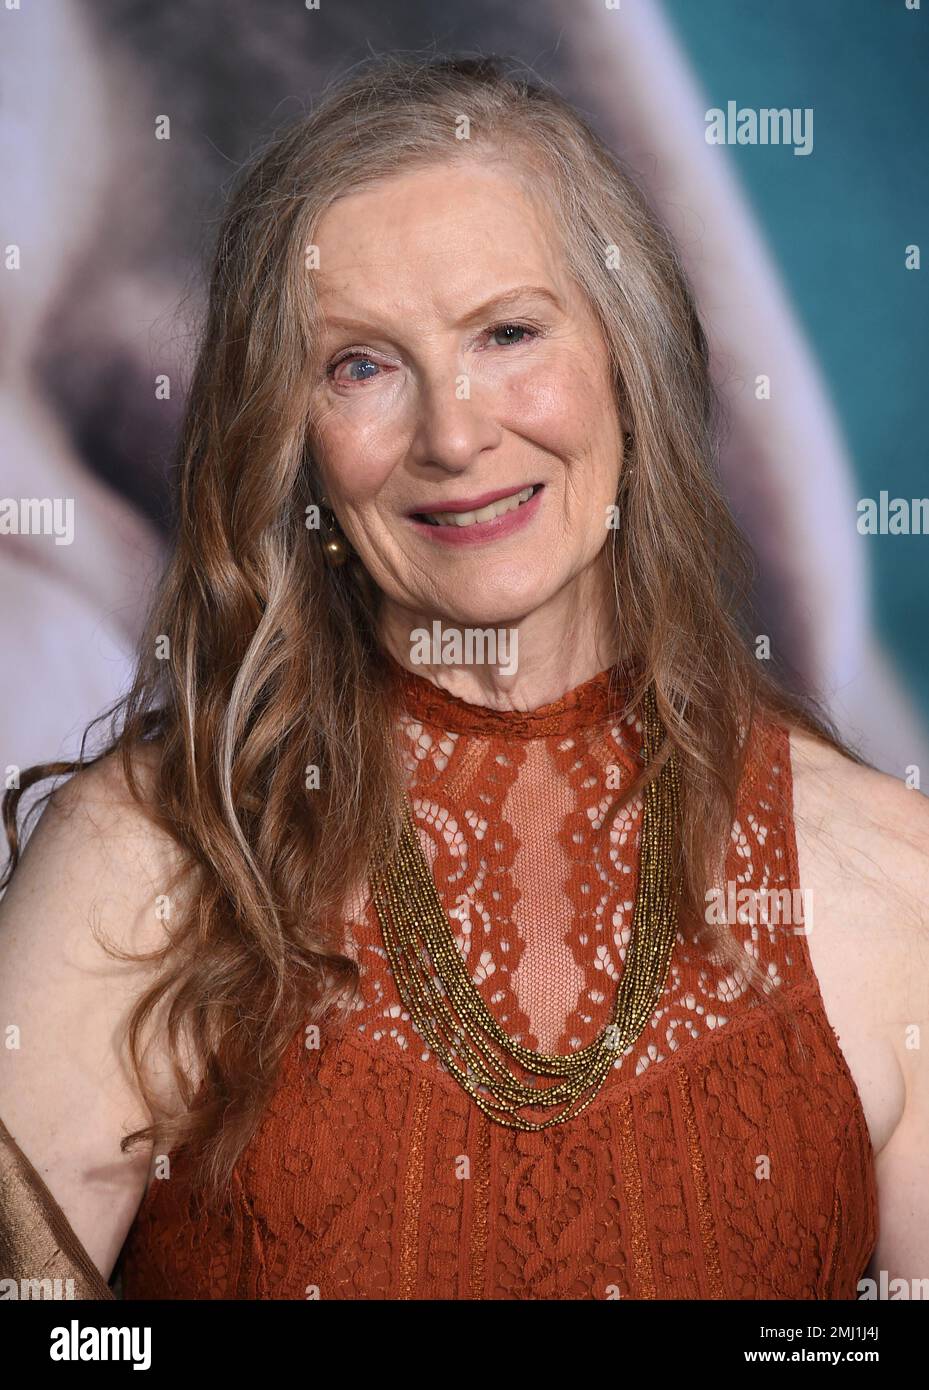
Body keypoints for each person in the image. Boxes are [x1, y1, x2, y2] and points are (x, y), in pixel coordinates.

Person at [0, 54, 926, 1302]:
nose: (452, 433)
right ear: (294, 437)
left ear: (629, 360)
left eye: (507, 332)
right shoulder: (153, 855)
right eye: (361, 365)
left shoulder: (890, 880)